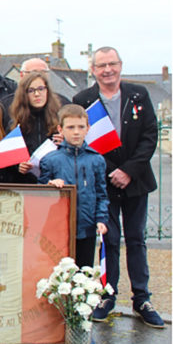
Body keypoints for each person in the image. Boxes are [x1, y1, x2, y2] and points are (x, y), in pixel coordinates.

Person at [73, 47, 163, 328]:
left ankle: (142, 298)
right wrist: (113, 171)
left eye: (112, 64)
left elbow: (150, 135)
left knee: (136, 239)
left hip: (136, 181)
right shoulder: (83, 99)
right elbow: (84, 141)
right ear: (93, 69)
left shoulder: (138, 94)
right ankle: (107, 296)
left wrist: (129, 171)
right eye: (102, 65)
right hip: (104, 183)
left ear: (121, 66)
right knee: (109, 240)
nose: (107, 70)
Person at [39, 104, 109, 268]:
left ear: (88, 128)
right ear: (60, 129)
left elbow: (101, 194)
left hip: (87, 226)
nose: (76, 132)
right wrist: (50, 185)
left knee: (85, 271)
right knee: (59, 271)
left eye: (80, 127)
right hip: (58, 227)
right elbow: (39, 194)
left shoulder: (96, 160)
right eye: (70, 127)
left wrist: (101, 219)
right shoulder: (50, 160)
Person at [2, 72, 62, 184]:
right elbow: (6, 162)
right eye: (31, 90)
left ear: (47, 91)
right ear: (24, 95)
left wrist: (65, 144)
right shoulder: (14, 125)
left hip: (54, 185)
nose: (37, 94)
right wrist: (18, 166)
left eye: (41, 89)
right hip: (26, 186)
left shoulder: (59, 121)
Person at [0, 57, 71, 131]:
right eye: (33, 72)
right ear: (22, 75)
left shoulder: (63, 104)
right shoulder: (6, 105)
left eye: (43, 72)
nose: (38, 76)